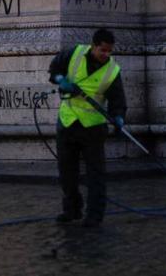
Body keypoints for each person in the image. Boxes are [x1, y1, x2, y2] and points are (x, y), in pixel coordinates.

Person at [48, 28, 127, 227]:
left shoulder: (112, 71)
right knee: (67, 172)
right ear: (93, 46)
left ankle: (94, 215)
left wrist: (118, 117)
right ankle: (72, 210)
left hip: (93, 128)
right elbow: (54, 68)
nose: (106, 55)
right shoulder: (74, 53)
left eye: (109, 51)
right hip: (67, 122)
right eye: (103, 51)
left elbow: (118, 99)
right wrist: (61, 81)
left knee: (96, 175)